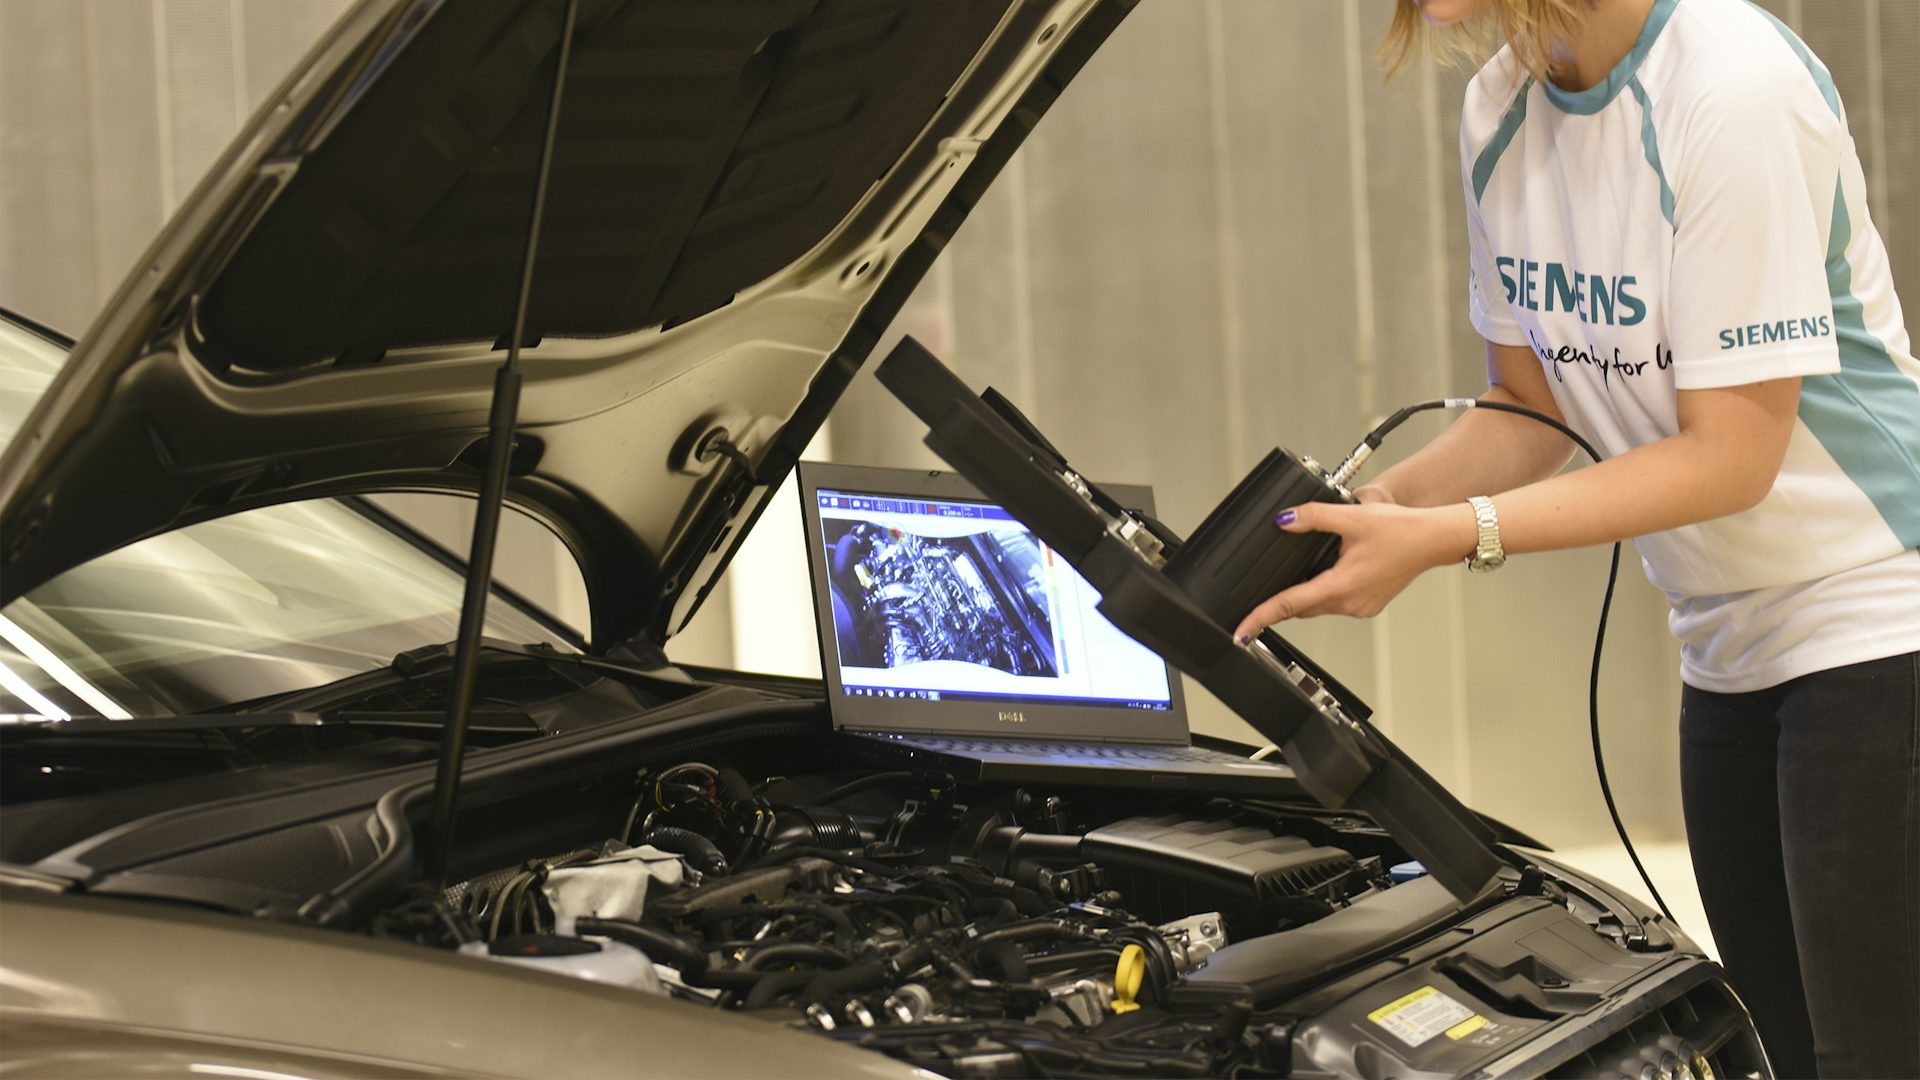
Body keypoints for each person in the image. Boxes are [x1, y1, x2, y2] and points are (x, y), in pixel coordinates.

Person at [1231, 0, 1920, 1075]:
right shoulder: (1500, 104)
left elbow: (1731, 454)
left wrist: (1455, 538)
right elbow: (1532, 408)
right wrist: (1373, 516)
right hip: (1728, 648)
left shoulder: (1729, 86)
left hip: (1880, 620)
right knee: (1790, 1048)